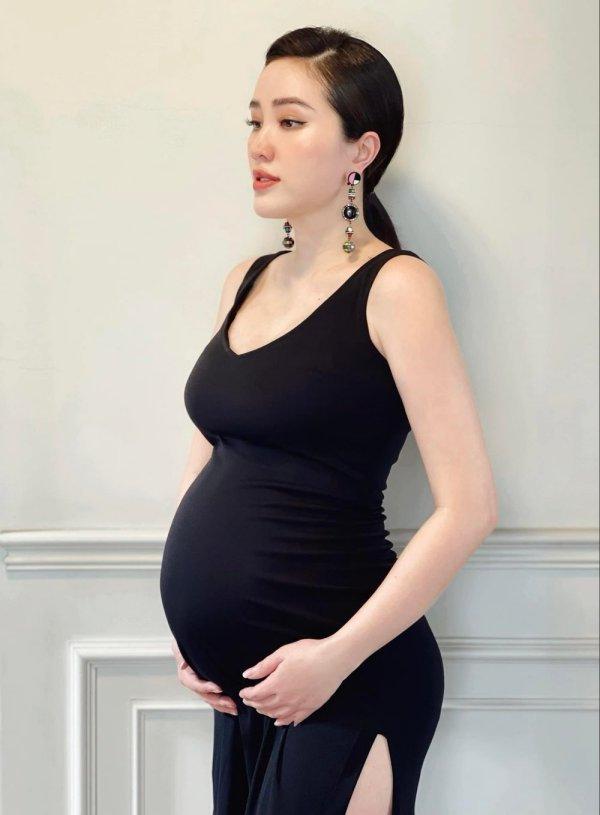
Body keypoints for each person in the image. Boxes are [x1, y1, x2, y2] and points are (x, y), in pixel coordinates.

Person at [160, 25, 497, 815]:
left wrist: (335, 658)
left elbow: (471, 506)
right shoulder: (244, 281)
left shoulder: (397, 287)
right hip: (248, 686)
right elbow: (208, 461)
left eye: (290, 120)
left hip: (347, 678)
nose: (261, 143)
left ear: (360, 151)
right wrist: (189, 629)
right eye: (255, 120)